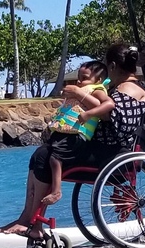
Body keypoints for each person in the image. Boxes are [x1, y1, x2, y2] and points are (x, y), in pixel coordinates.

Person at [0, 43, 145, 237]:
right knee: (41, 154)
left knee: (45, 155)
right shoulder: (118, 87)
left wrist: (81, 96)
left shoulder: (127, 89)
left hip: (112, 155)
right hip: (102, 150)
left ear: (112, 66)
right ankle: (29, 219)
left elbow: (109, 114)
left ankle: (33, 223)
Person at [41, 60, 111, 205]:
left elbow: (109, 104)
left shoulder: (97, 90)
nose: (79, 81)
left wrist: (89, 114)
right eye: (79, 77)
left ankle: (57, 191)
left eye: (84, 78)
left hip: (77, 134)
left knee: (55, 158)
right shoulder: (81, 89)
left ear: (98, 80)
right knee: (45, 155)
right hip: (65, 132)